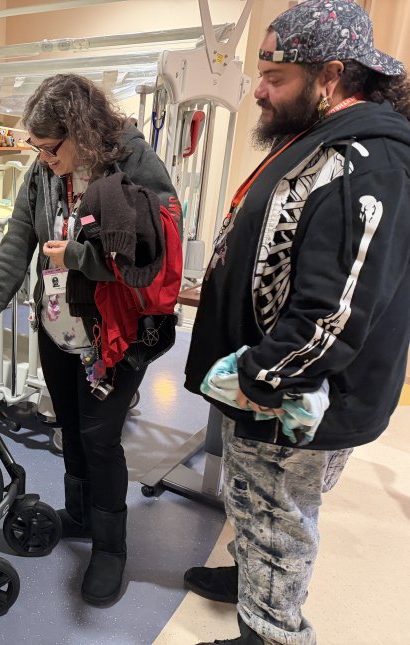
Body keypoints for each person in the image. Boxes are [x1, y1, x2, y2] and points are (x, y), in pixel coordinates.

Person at [182, 2, 410, 643]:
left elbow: (334, 313)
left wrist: (258, 375)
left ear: (331, 76)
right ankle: (246, 571)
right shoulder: (318, 144)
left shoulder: (362, 165)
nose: (258, 89)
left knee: (280, 521)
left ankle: (272, 630)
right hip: (272, 387)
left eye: (274, 76)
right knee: (255, 506)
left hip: (291, 395)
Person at [0, 74, 180, 607]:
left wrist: (78, 257)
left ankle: (111, 549)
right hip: (58, 328)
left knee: (101, 438)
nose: (43, 156)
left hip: (114, 334)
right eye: (36, 147)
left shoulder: (135, 166)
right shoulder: (43, 174)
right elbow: (19, 236)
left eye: (51, 146)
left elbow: (149, 255)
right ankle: (81, 514)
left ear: (82, 131)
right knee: (72, 431)